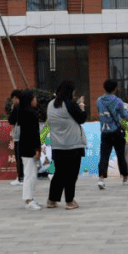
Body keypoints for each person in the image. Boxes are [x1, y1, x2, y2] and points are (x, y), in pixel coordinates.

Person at [46, 81, 87, 209]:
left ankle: (52, 200)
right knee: (71, 174)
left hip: (57, 146)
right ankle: (69, 201)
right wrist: (82, 105)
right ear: (69, 92)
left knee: (59, 174)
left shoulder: (50, 104)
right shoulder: (69, 104)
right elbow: (82, 118)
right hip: (73, 145)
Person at [96, 79, 128, 189]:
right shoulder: (118, 101)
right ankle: (125, 177)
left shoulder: (99, 100)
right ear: (114, 88)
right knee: (120, 155)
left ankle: (101, 179)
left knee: (104, 156)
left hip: (104, 131)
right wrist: (127, 110)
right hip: (116, 131)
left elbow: (101, 112)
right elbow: (125, 116)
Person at [13, 90, 44, 209]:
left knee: (30, 173)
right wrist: (37, 149)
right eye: (34, 98)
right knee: (30, 174)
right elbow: (34, 133)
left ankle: (30, 197)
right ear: (30, 100)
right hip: (30, 147)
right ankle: (29, 200)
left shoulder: (21, 112)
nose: (36, 101)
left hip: (24, 146)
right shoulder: (31, 114)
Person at [8, 89, 23, 187]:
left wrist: (12, 109)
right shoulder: (27, 107)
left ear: (16, 98)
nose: (13, 101)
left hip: (19, 135)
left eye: (13, 99)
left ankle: (21, 178)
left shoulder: (17, 108)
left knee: (18, 157)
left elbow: (11, 120)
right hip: (26, 135)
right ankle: (23, 177)